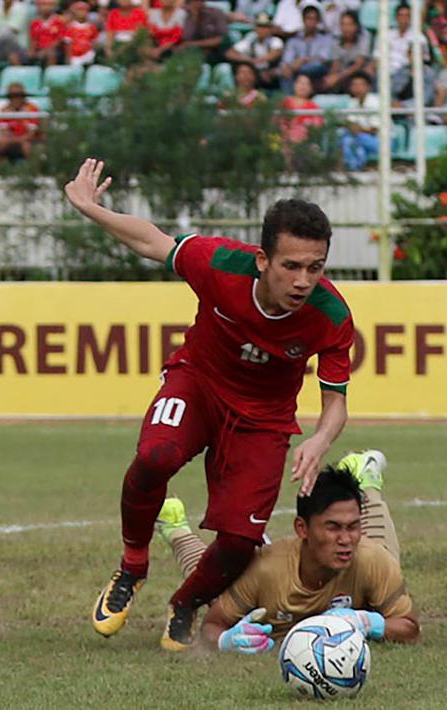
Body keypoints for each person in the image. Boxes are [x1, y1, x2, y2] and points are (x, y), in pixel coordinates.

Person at [64, 157, 355, 650]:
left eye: (315, 267)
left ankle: (186, 604)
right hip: (197, 383)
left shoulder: (329, 315)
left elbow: (336, 402)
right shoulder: (219, 263)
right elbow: (151, 240)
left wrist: (320, 439)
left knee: (241, 541)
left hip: (263, 419)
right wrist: (91, 208)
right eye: (291, 266)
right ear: (263, 260)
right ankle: (132, 567)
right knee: (155, 457)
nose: (303, 281)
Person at [153, 453, 419, 650]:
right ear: (302, 528)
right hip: (270, 571)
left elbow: (410, 628)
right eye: (333, 528)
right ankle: (176, 527)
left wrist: (367, 623)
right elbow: (211, 626)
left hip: (371, 563)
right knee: (215, 584)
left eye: (352, 528)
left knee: (380, 551)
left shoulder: (370, 559)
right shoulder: (266, 570)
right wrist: (226, 641)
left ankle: (365, 478)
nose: (346, 539)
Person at [281, 3, 334, 94]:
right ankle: (288, 102)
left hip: (316, 72)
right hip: (296, 71)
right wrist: (292, 66)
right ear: (303, 19)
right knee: (286, 72)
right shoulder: (293, 40)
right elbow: (287, 61)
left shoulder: (326, 39)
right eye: (309, 18)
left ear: (318, 21)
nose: (311, 22)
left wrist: (302, 60)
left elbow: (323, 59)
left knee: (317, 67)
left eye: (314, 19)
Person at [225, 12, 285, 90]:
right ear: (255, 28)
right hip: (255, 73)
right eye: (259, 26)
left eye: (265, 27)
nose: (262, 30)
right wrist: (249, 60)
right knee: (243, 70)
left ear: (270, 29)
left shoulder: (275, 41)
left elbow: (276, 52)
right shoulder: (251, 40)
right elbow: (230, 53)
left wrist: (260, 60)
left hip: (270, 73)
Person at [0, 82, 39, 167]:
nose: (16, 99)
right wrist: (11, 140)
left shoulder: (32, 109)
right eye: (12, 96)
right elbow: (3, 132)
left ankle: (33, 172)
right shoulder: (4, 110)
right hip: (11, 140)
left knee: (27, 147)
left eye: (19, 96)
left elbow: (31, 134)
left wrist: (15, 140)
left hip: (27, 141)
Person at [323, 10, 373, 93]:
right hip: (343, 75)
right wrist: (332, 77)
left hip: (360, 73)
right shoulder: (336, 42)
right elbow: (335, 66)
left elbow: (358, 65)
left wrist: (338, 77)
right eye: (343, 24)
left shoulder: (364, 39)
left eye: (349, 24)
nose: (346, 28)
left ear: (356, 26)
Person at [340, 72, 381, 170]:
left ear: (369, 87)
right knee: (349, 141)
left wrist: (359, 129)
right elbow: (351, 124)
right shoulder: (352, 103)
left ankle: (354, 169)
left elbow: (374, 129)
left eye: (361, 85)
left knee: (349, 139)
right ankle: (355, 169)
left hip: (381, 141)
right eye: (354, 85)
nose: (357, 88)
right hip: (360, 139)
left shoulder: (376, 102)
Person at [281, 73, 325, 144]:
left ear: (311, 88)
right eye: (300, 82)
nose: (302, 86)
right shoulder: (283, 103)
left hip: (305, 146)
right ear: (294, 85)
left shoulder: (314, 107)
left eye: (306, 84)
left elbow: (316, 129)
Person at [62, 1, 100, 67]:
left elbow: (95, 43)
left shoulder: (92, 27)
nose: (82, 13)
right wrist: (68, 58)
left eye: (84, 10)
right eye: (79, 10)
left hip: (88, 56)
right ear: (75, 12)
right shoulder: (70, 27)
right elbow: (68, 45)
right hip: (75, 57)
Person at [29, 0, 66, 67]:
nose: (46, 7)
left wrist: (45, 51)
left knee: (50, 54)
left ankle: (51, 76)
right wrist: (32, 53)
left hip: (56, 51)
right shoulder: (34, 23)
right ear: (38, 6)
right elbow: (33, 41)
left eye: (49, 4)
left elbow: (59, 40)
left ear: (54, 6)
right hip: (39, 50)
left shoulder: (59, 22)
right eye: (43, 4)